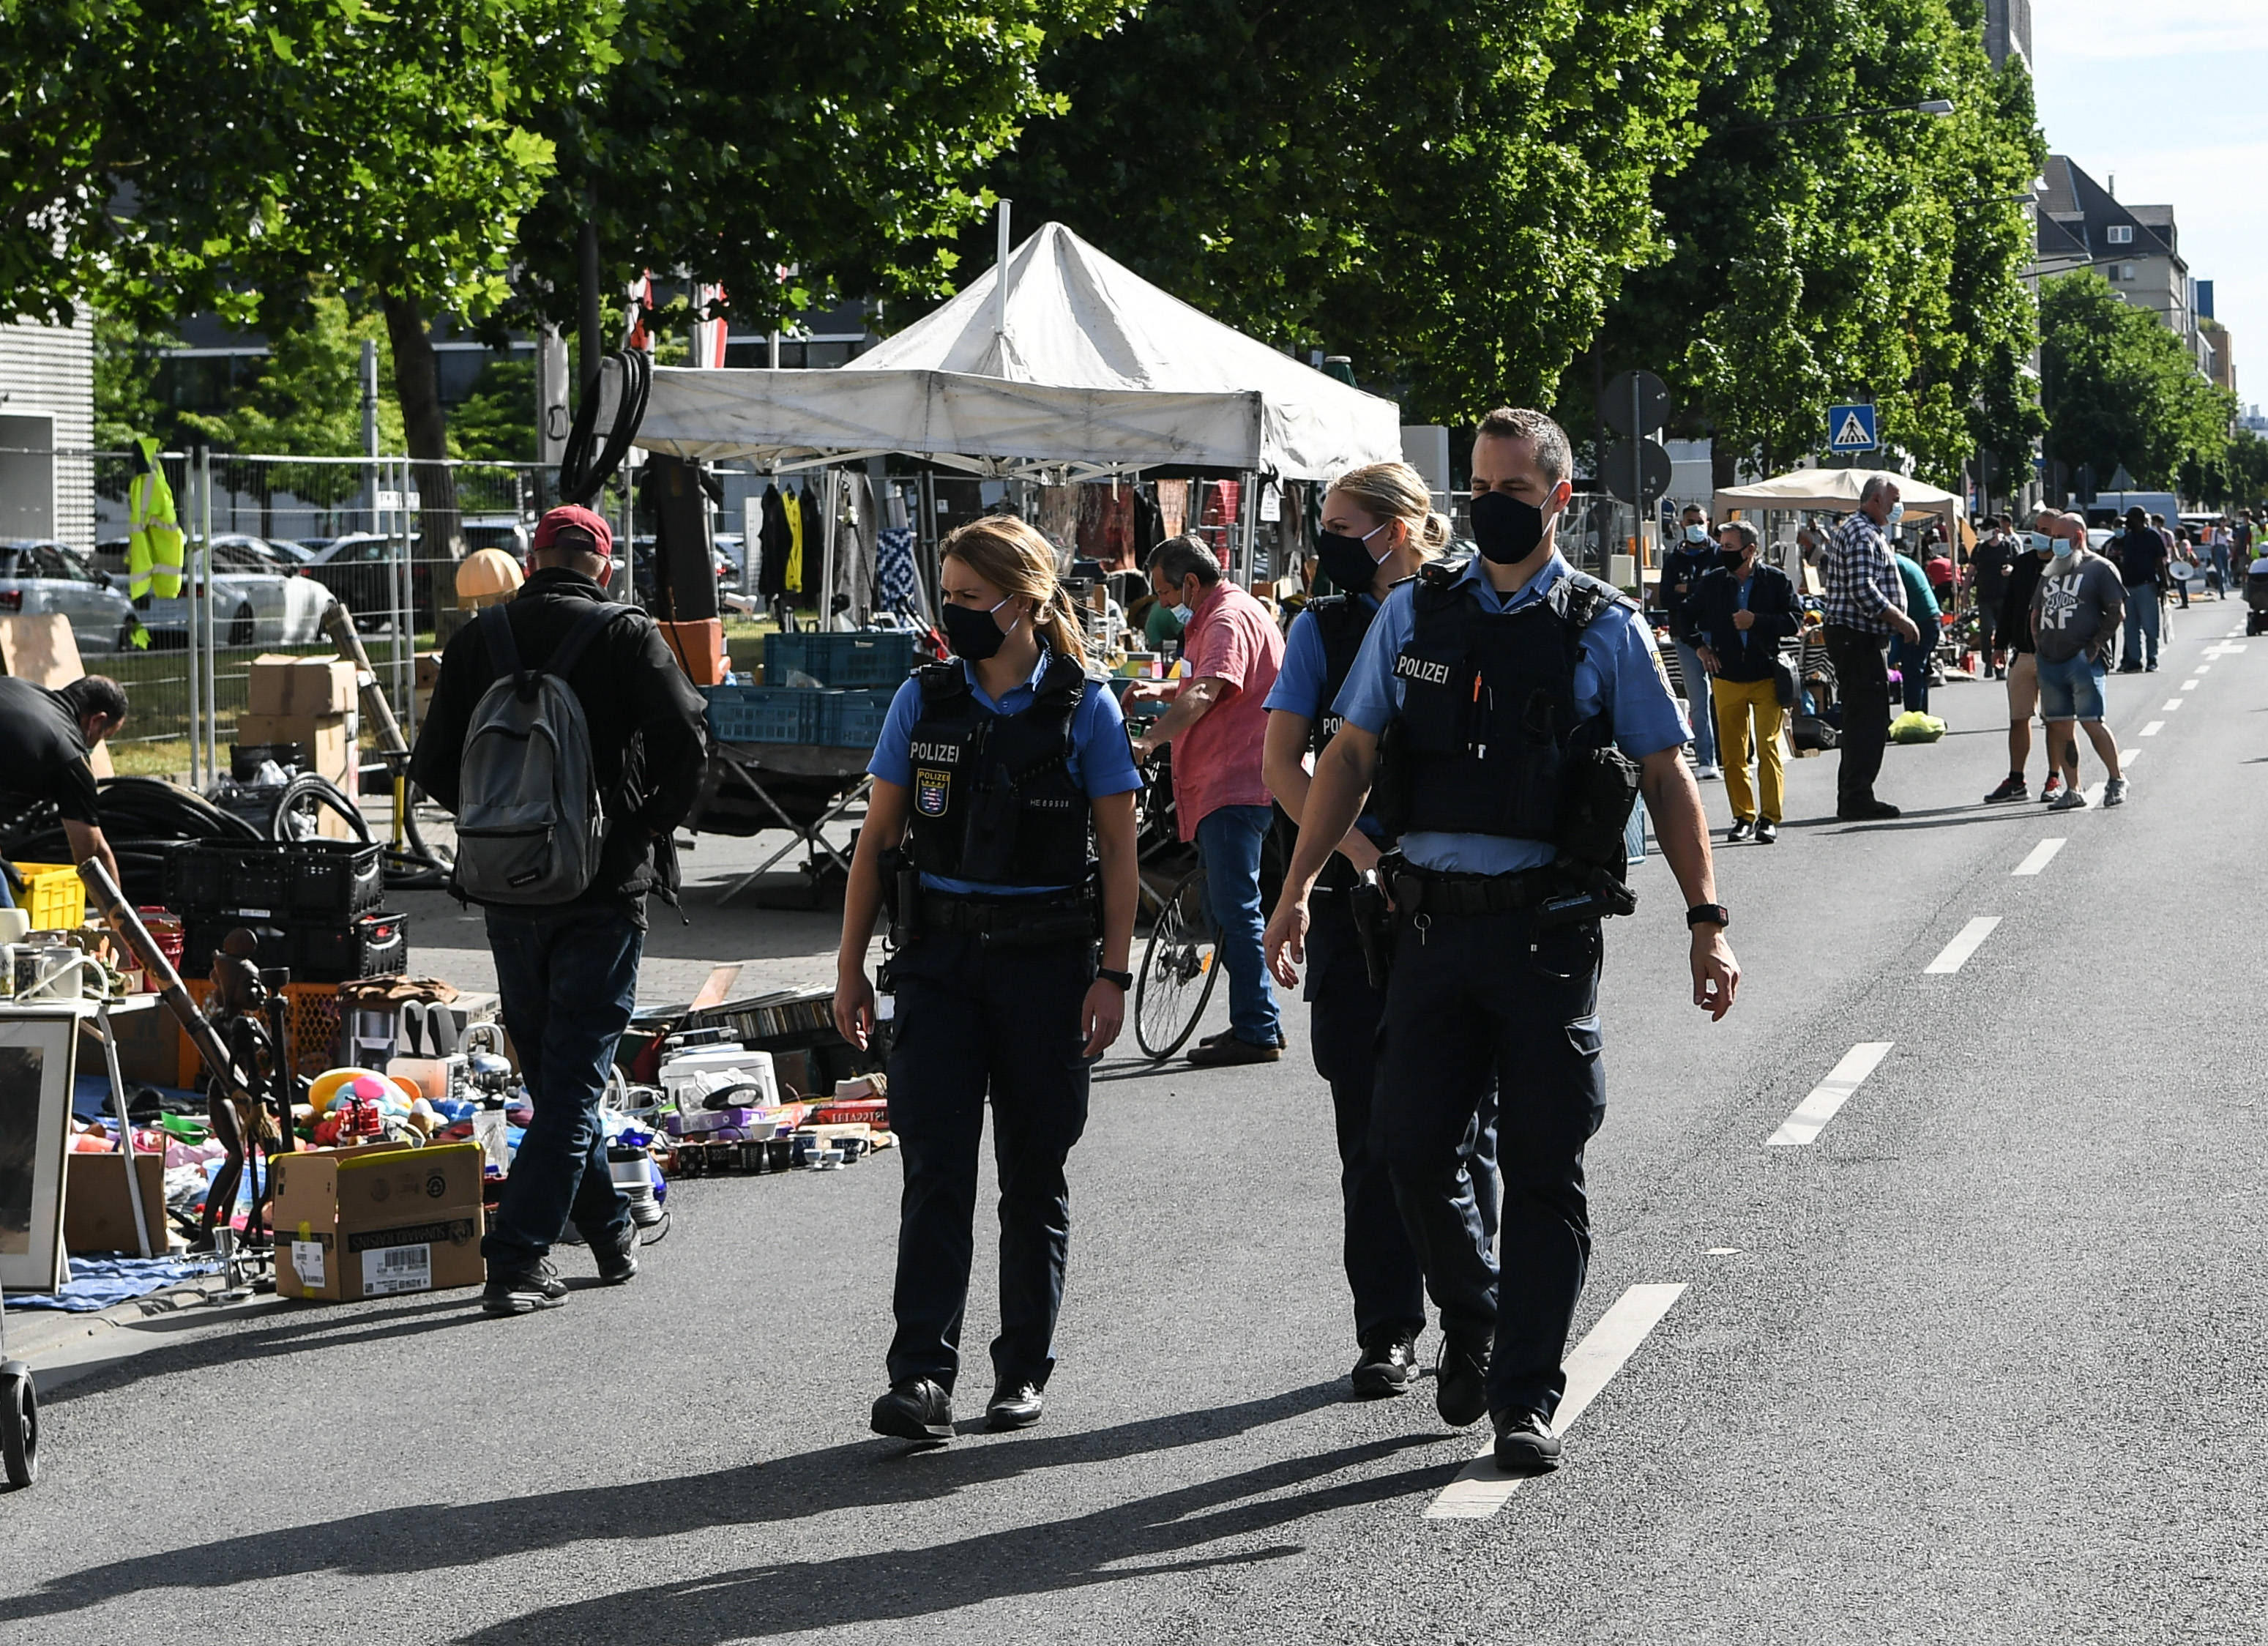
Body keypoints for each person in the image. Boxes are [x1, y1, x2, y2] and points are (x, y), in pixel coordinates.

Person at [1262, 407, 1739, 1475]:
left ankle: (1524, 1394)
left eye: (1514, 491)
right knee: (1408, 1148)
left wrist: (1706, 923)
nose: (1490, 507)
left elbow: (1666, 776)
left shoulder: (1599, 626)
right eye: (1479, 487)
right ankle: (1473, 1316)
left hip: (1543, 938)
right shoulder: (1416, 614)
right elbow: (1344, 756)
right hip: (1424, 929)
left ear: (1559, 499)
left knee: (1542, 1165)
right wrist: (1297, 888)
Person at [834, 515, 1141, 1442]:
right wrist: (848, 965)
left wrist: (1113, 976)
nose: (954, 613)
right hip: (938, 963)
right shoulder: (922, 701)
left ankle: (1020, 1371)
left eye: (970, 598)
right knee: (934, 1167)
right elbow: (875, 845)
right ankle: (921, 1377)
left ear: (1025, 603)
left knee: (1031, 1172)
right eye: (949, 595)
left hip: (1045, 965)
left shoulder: (1085, 708)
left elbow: (1120, 858)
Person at [411, 504, 709, 1315]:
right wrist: (641, 827)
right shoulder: (626, 634)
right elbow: (688, 738)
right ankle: (514, 1257)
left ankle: (610, 1232)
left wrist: (503, 827)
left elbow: (433, 763)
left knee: (554, 1075)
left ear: (531, 558)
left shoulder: (480, 641)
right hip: (602, 888)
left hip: (509, 887)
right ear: (602, 568)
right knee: (575, 1078)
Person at [1261, 460, 1497, 1400]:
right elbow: (1284, 765)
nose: (1326, 540)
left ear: (1400, 528)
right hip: (1358, 910)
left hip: (1456, 906)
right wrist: (1351, 858)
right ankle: (1387, 1327)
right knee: (1367, 1129)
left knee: (1465, 1128)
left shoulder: (1471, 608)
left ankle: (1469, 1322)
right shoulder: (1320, 626)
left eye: (1342, 523)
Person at [1126, 535, 1286, 1065]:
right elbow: (1204, 685)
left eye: (1166, 592)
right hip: (1228, 781)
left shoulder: (1225, 617)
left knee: (1236, 909)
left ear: (1191, 582)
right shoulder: (1225, 613)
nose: (1165, 604)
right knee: (1227, 906)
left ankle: (1257, 1029)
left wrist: (1150, 741)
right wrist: (1158, 692)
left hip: (1233, 781)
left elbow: (1206, 693)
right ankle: (1256, 1019)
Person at [1685, 519, 1800, 844]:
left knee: (1768, 749)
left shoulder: (1775, 581)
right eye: (1721, 546)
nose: (1723, 552)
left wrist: (1757, 622)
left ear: (1750, 550)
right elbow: (1682, 615)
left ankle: (1769, 818)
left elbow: (1795, 620)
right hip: (1727, 677)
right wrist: (1700, 647)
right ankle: (1743, 816)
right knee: (1733, 754)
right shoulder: (1713, 583)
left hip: (1766, 677)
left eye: (1730, 547)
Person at [1818, 478, 1922, 820]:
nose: (1898, 505)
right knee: (1867, 719)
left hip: (1857, 635)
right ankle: (1856, 796)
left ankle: (1855, 793)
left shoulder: (1865, 530)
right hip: (1856, 636)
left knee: (1865, 716)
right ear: (1876, 500)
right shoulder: (1862, 533)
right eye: (1895, 499)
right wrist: (1900, 620)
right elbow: (1863, 589)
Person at [2031, 511, 2127, 811]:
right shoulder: (2051, 570)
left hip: (2083, 659)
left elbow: (2116, 611)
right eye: (2053, 537)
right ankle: (2073, 789)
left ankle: (2116, 779)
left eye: (2060, 537)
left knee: (2091, 722)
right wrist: (2038, 644)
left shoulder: (2099, 568)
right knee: (2059, 726)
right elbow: (2036, 610)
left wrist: (2096, 644)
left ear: (2078, 537)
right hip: (2050, 660)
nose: (2054, 542)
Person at [0, 674, 127, 898]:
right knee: (8, 923)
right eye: (103, 736)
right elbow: (93, 857)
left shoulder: (14, 687)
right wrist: (121, 928)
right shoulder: (70, 756)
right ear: (96, 721)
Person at [1984, 524, 2061, 805]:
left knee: (2056, 721)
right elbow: (2010, 606)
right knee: (2019, 718)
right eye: (2038, 528)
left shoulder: (2068, 564)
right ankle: (2016, 780)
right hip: (2023, 654)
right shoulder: (2023, 563)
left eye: (2045, 528)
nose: (2038, 533)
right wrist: (1999, 644)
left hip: (2055, 657)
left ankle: (2055, 778)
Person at [1660, 504, 1722, 779]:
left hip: (1717, 633)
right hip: (1685, 635)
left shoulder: (1719, 554)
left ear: (1708, 523)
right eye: (1690, 521)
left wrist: (1689, 590)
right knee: (1698, 698)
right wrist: (1701, 591)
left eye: (1700, 521)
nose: (1696, 525)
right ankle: (1706, 758)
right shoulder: (1675, 559)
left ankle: (1732, 755)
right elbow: (1666, 597)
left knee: (1724, 697)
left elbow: (1721, 591)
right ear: (1682, 524)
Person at [1889, 539, 1941, 715]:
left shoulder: (1894, 566)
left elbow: (1890, 600)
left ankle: (1913, 717)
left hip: (1921, 621)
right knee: (1917, 670)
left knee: (1912, 671)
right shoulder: (1901, 562)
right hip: (1928, 619)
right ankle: (1920, 714)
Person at [2110, 506, 2166, 671]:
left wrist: (2163, 584)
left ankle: (2152, 659)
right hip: (2128, 587)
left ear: (2139, 519)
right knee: (2131, 628)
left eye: (2130, 519)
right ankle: (2134, 661)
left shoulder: (2152, 537)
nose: (2128, 523)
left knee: (2150, 626)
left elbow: (2159, 562)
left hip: (2146, 585)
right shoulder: (2128, 538)